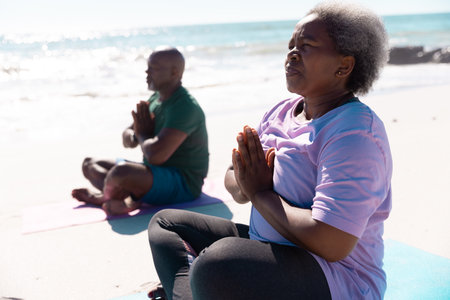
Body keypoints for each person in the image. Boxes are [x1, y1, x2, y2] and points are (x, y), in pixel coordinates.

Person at [148, 2, 392, 299]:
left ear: (344, 65)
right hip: (270, 247)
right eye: (292, 45)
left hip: (335, 277)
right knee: (167, 226)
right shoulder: (281, 112)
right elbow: (234, 181)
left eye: (307, 46)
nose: (292, 53)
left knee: (216, 263)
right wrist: (246, 182)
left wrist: (261, 194)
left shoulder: (354, 134)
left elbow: (332, 242)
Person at [72, 48, 209, 215]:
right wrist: (138, 134)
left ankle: (106, 197)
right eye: (147, 67)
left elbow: (155, 156)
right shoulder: (155, 99)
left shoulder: (185, 107)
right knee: (90, 164)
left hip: (183, 183)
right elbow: (127, 137)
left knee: (121, 172)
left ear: (174, 72)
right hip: (152, 172)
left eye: (154, 67)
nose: (147, 71)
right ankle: (124, 196)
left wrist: (142, 134)